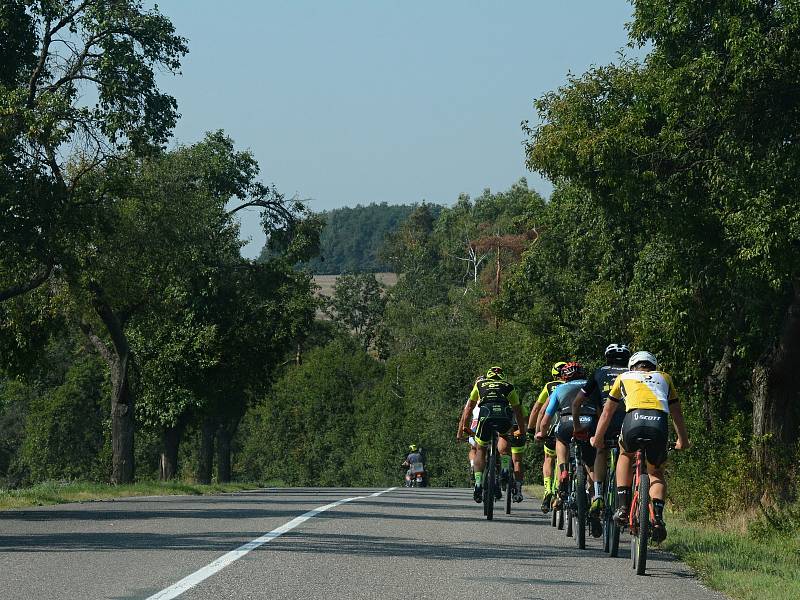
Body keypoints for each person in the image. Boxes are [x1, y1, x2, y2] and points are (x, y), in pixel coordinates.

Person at [591, 350, 690, 543]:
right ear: (653, 365)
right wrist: (683, 440)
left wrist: (597, 438)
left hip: (633, 422)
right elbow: (677, 413)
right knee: (656, 472)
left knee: (625, 454)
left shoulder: (623, 377)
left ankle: (622, 507)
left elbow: (606, 413)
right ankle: (658, 518)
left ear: (632, 365)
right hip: (658, 425)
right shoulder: (664, 377)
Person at [572, 343, 630, 518]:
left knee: (600, 449)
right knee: (628, 455)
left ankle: (597, 494)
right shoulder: (632, 374)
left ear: (607, 357)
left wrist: (577, 426)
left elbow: (577, 403)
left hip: (606, 421)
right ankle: (628, 498)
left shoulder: (598, 372)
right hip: (629, 420)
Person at [457, 366, 526, 503]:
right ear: (503, 377)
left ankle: (477, 483)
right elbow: (518, 411)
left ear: (488, 377)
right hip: (503, 415)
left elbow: (469, 407)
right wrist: (522, 430)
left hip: (485, 415)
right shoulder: (508, 386)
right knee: (504, 436)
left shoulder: (480, 384)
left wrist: (464, 426)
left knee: (480, 449)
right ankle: (505, 468)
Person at [535, 362, 595, 509]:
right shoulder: (592, 385)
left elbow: (545, 418)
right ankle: (595, 495)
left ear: (564, 377)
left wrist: (541, 433)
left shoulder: (559, 388)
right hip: (590, 423)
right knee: (591, 463)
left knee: (560, 440)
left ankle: (563, 470)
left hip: (566, 423)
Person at [528, 361, 567, 512]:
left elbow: (538, 408)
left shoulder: (550, 386)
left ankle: (547, 491)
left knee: (549, 458)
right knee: (562, 458)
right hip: (569, 423)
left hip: (552, 424)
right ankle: (559, 489)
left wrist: (533, 429)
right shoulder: (577, 383)